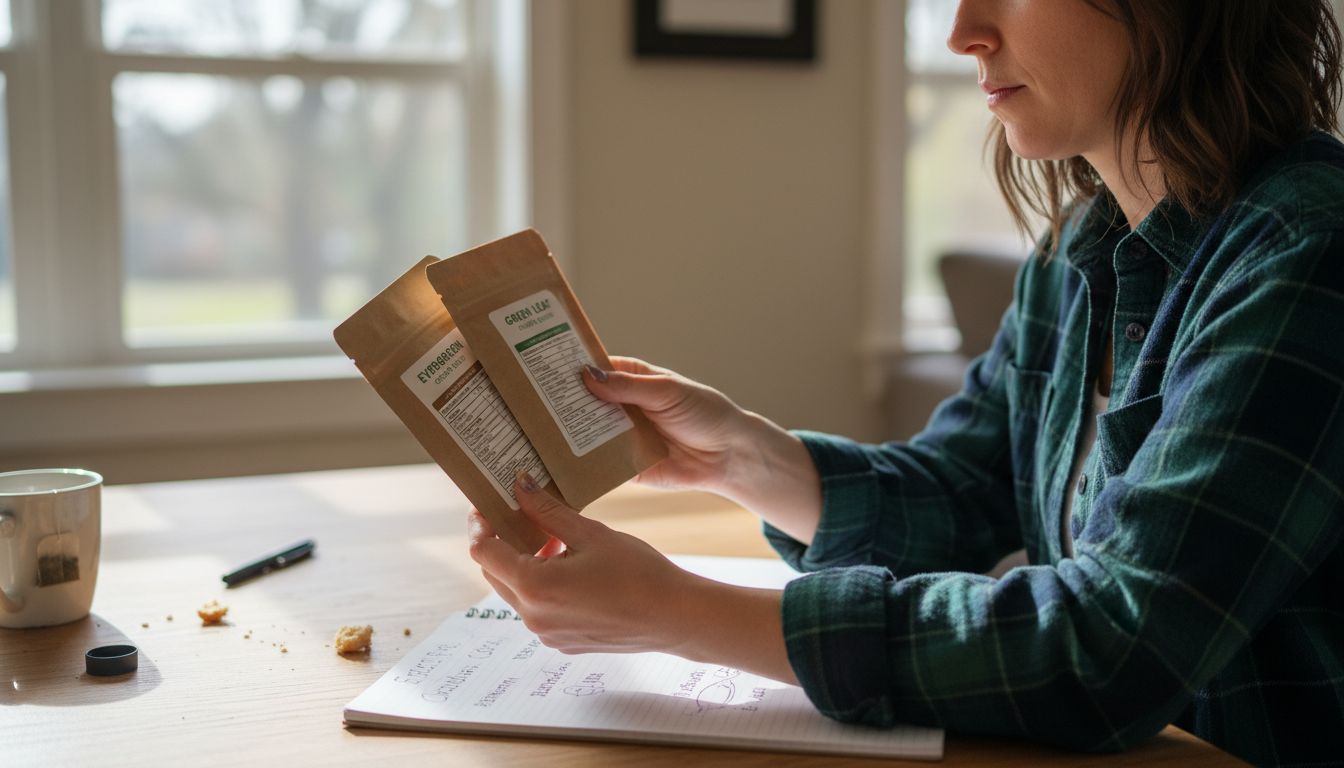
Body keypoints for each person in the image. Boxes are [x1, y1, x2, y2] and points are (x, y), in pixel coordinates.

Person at [468, 1, 1344, 764]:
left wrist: (681, 614)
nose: (963, 32)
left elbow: (1113, 650)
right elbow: (964, 492)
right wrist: (743, 458)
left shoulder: (1309, 247)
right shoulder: (1078, 253)